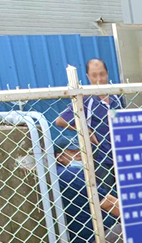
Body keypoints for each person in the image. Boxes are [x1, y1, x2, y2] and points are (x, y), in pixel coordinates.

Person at [55, 58, 123, 194]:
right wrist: (85, 130)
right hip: (102, 160)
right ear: (88, 76)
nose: (99, 79)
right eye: (94, 75)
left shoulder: (116, 97)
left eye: (102, 74)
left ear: (107, 74)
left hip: (121, 156)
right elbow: (60, 121)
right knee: (108, 196)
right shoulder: (86, 99)